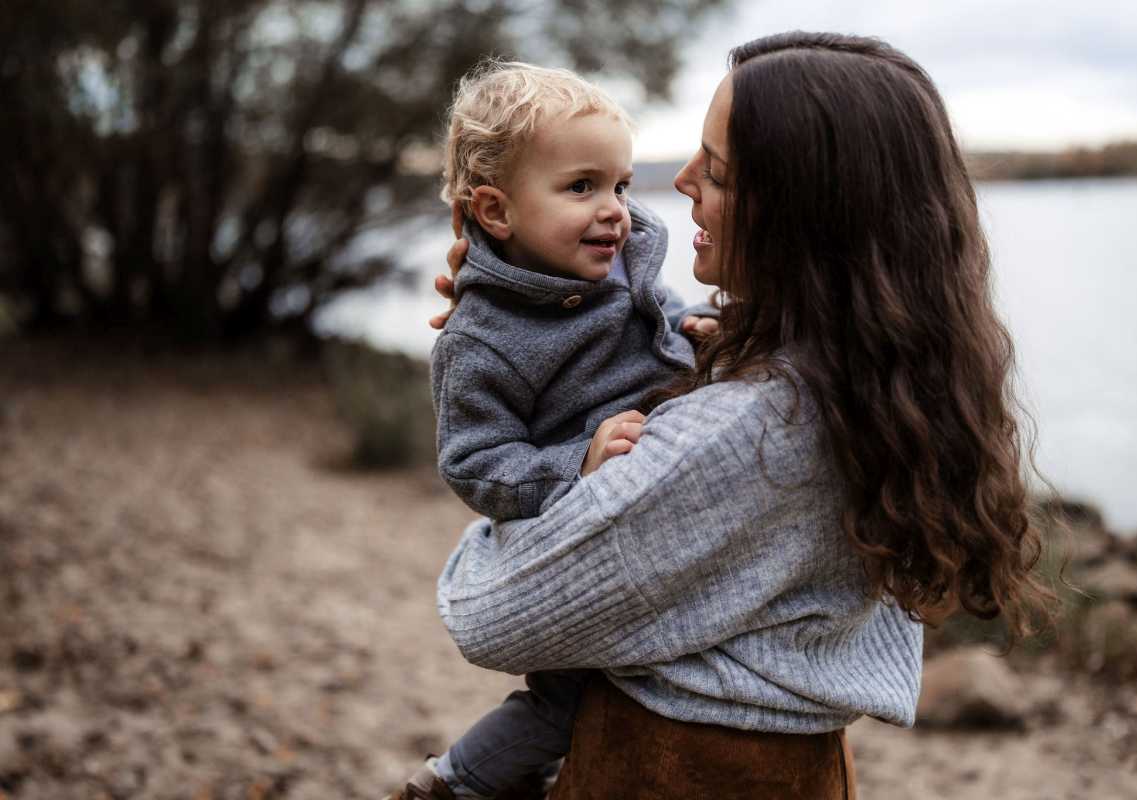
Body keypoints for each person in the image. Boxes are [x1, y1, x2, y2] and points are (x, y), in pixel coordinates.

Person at [425, 30, 1052, 799]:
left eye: (716, 170)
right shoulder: (869, 380)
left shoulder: (744, 431)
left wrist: (488, 539)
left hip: (679, 773)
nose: (681, 182)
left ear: (800, 209)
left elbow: (487, 615)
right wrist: (521, 304)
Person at [389, 62, 718, 800]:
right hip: (581, 536)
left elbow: (667, 318)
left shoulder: (627, 260)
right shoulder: (482, 342)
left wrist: (704, 330)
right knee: (564, 701)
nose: (615, 211)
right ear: (498, 212)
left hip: (666, 498)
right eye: (581, 188)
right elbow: (475, 463)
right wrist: (578, 463)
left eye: (621, 186)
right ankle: (455, 783)